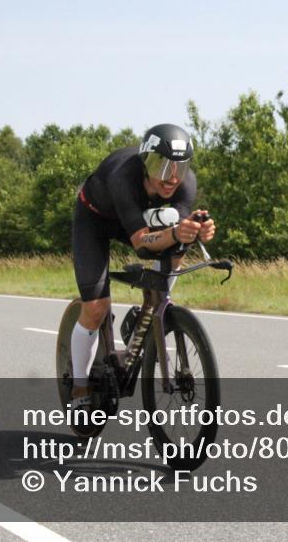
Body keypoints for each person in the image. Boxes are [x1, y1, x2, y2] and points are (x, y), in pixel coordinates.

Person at [69, 124, 216, 409]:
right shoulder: (124, 177)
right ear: (146, 161)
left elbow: (178, 233)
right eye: (163, 167)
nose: (172, 178)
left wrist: (196, 230)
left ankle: (154, 306)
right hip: (96, 221)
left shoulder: (186, 183)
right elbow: (142, 244)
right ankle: (79, 386)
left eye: (180, 167)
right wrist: (174, 233)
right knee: (96, 307)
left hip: (141, 220)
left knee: (179, 243)